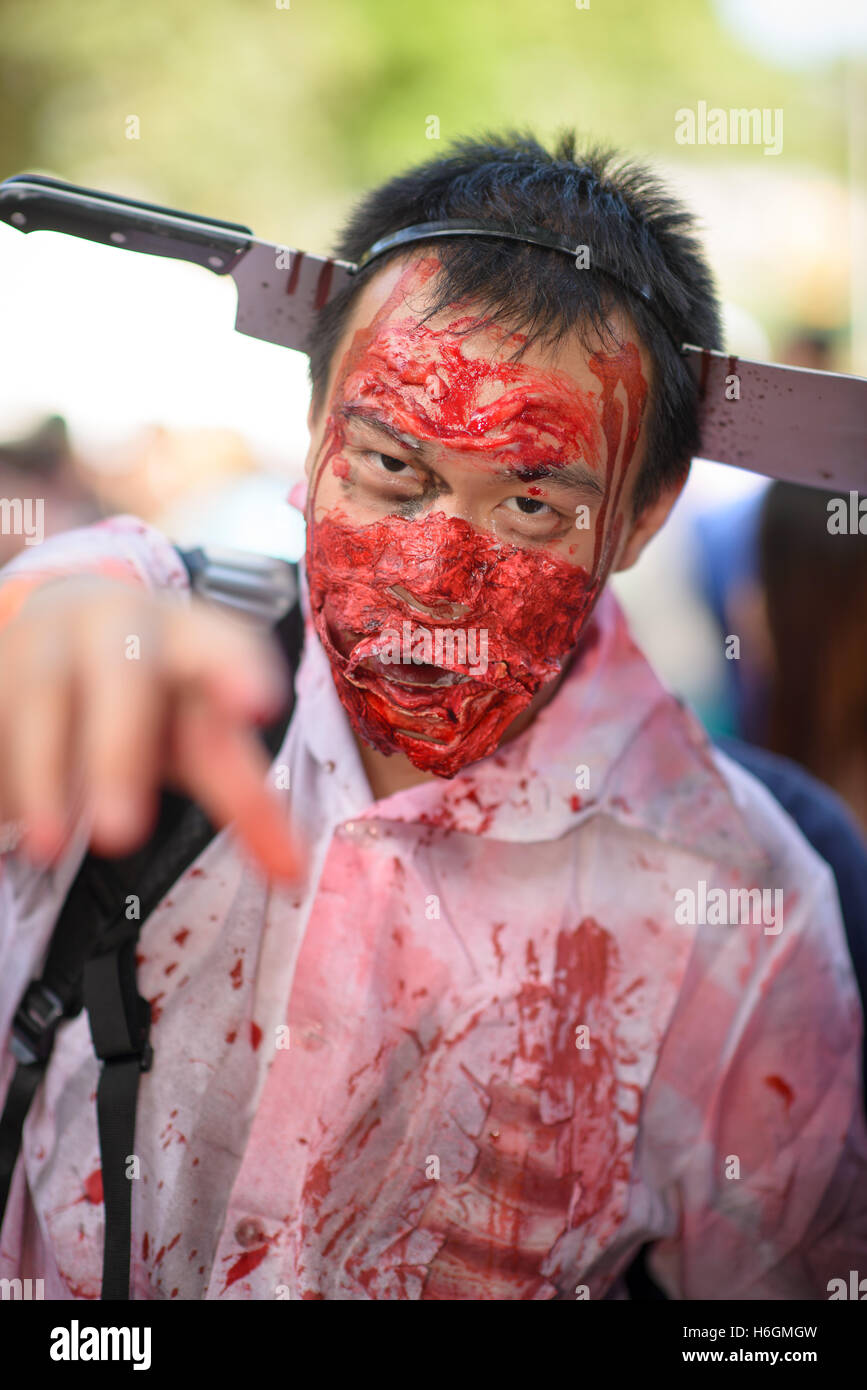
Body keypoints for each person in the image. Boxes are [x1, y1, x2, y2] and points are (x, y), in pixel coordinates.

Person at [0, 132, 865, 1301]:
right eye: (392, 473)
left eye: (527, 499)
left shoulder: (738, 907)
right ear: (312, 444)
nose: (434, 577)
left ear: (644, 514)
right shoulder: (134, 663)